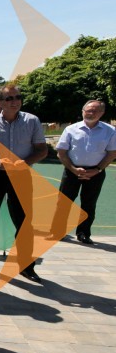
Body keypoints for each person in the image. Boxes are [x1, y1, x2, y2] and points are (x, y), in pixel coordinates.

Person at [0, 85, 47, 282]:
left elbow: (41, 149)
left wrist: (25, 163)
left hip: (21, 175)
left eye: (17, 97)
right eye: (9, 98)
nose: (14, 101)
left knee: (23, 222)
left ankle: (26, 267)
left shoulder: (32, 121)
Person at [49, 99, 116, 244]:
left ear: (102, 113)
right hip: (72, 170)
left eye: (95, 111)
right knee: (64, 203)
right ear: (82, 111)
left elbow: (112, 153)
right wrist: (73, 169)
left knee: (89, 204)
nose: (91, 113)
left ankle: (84, 233)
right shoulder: (71, 129)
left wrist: (97, 169)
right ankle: (57, 232)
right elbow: (61, 151)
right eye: (88, 110)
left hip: (95, 172)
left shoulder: (110, 131)